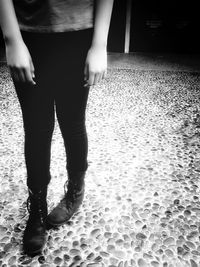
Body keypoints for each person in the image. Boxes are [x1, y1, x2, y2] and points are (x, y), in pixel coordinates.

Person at [0, 0, 114, 256]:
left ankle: (76, 190)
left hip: (79, 32)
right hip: (28, 32)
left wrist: (99, 45)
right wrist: (11, 39)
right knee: (37, 127)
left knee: (72, 122)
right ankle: (37, 207)